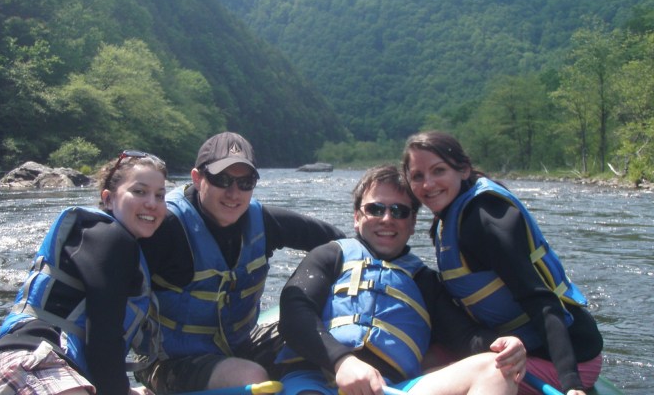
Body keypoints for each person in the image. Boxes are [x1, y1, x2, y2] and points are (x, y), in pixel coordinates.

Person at [276, 164, 526, 395]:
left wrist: (504, 345)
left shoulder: (425, 281)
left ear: (413, 222)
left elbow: (464, 337)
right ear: (357, 217)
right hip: (314, 381)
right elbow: (294, 310)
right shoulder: (331, 255)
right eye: (375, 209)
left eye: (399, 211)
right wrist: (342, 361)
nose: (387, 219)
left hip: (389, 389)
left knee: (495, 368)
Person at [135, 132, 347, 394]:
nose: (234, 193)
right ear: (197, 178)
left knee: (328, 336)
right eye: (222, 179)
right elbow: (108, 291)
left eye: (246, 182)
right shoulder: (165, 227)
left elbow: (339, 245)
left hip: (241, 345)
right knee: (251, 375)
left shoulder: (263, 221)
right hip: (166, 360)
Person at [402, 131, 604, 395]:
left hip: (569, 357)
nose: (428, 184)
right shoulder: (449, 217)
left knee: (440, 377)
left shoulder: (486, 220)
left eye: (438, 171)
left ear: (463, 170)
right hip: (517, 345)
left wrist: (571, 383)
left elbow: (539, 299)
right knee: (420, 360)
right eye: (417, 176)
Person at [0, 150, 168, 395]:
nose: (152, 203)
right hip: (30, 365)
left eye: (160, 195)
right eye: (139, 191)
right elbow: (104, 338)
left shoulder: (100, 236)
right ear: (108, 199)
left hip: (10, 370)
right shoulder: (111, 238)